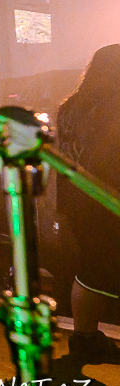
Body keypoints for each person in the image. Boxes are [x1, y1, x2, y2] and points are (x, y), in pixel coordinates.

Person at [57, 44, 120, 364]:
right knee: (97, 270)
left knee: (89, 268)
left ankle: (84, 338)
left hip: (75, 200)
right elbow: (108, 158)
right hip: (107, 199)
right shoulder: (112, 107)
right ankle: (85, 340)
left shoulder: (70, 106)